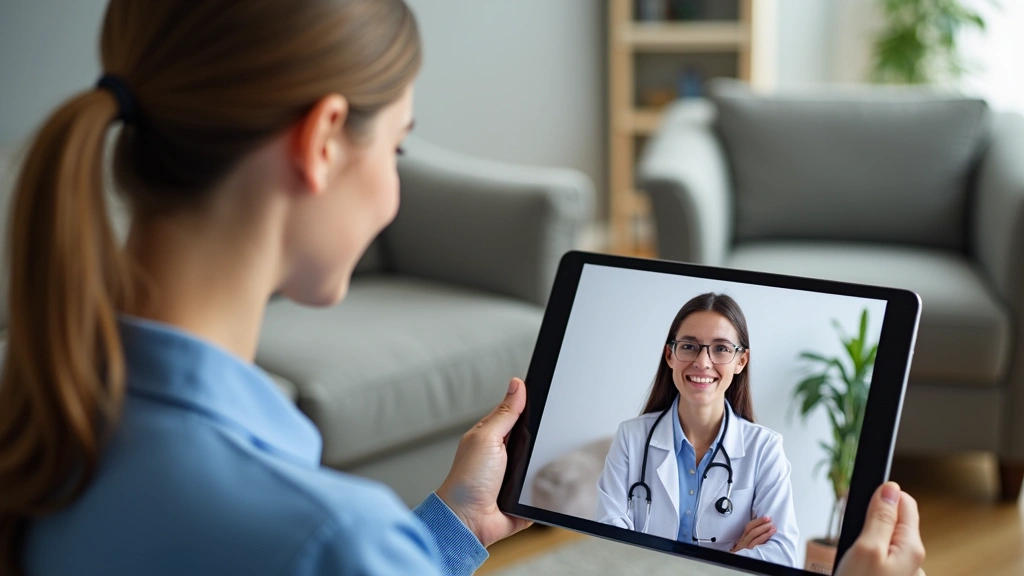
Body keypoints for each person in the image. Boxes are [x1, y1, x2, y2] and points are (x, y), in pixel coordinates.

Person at [0, 1, 924, 575]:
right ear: (323, 141)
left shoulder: (42, 424)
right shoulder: (324, 538)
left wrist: (448, 527)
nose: (396, 186)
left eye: (721, 348)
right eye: (396, 144)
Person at [596, 293, 799, 565]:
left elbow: (783, 555)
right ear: (670, 355)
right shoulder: (631, 438)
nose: (702, 362)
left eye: (721, 349)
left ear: (741, 361)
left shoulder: (765, 449)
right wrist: (733, 559)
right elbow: (608, 541)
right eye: (689, 346)